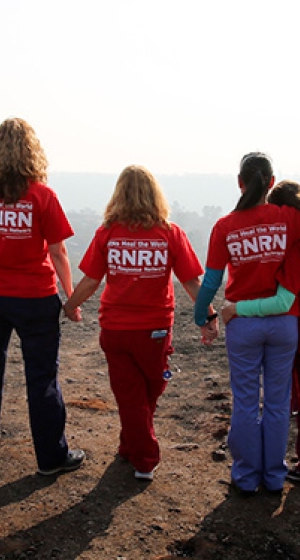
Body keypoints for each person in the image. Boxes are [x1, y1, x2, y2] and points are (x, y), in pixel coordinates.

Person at [193, 153, 300, 494]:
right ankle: (273, 476)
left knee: (244, 401)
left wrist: (204, 317)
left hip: (242, 323)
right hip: (286, 324)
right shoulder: (288, 218)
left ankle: (245, 476)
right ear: (271, 183)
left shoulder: (224, 226)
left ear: (240, 183)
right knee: (278, 402)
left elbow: (211, 281)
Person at [63, 165, 216, 481]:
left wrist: (70, 305)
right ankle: (145, 459)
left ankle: (129, 444)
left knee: (136, 392)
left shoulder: (110, 233)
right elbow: (191, 283)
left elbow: (91, 281)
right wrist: (207, 316)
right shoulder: (169, 233)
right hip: (154, 332)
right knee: (146, 389)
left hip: (116, 330)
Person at [0, 117, 85, 476]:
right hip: (36, 297)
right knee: (41, 377)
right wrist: (71, 299)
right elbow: (59, 252)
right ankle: (51, 458)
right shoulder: (43, 195)